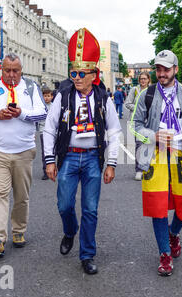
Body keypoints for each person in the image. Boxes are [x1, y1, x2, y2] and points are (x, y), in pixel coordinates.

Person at [43, 28, 121, 275]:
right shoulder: (63, 96)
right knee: (65, 205)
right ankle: (69, 231)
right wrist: (49, 160)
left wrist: (111, 163)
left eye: (81, 73)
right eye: (73, 73)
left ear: (93, 74)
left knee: (90, 209)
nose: (76, 78)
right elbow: (49, 128)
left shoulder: (103, 98)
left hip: (91, 159)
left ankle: (87, 255)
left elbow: (115, 131)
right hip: (68, 156)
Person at [131, 49, 182, 276]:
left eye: (166, 69)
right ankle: (164, 254)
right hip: (155, 156)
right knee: (157, 206)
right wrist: (153, 136)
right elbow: (135, 126)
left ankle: (173, 233)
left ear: (176, 70)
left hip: (181, 154)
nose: (161, 73)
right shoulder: (147, 95)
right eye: (158, 69)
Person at [0, 53, 48, 257]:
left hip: (24, 152)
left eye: (15, 70)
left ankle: (18, 230)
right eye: (7, 70)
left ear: (21, 70)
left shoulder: (31, 87)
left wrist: (21, 114)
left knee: (21, 197)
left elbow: (43, 114)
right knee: (0, 194)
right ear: (1, 69)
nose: (11, 74)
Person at [125, 71, 151, 181]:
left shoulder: (152, 91)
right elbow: (127, 103)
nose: (143, 81)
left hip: (149, 121)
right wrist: (138, 108)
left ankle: (148, 168)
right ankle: (139, 170)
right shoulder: (134, 90)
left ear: (149, 80)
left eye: (145, 79)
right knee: (139, 145)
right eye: (141, 79)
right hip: (138, 122)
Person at [37, 87, 54, 180]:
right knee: (45, 151)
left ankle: (53, 167)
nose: (46, 98)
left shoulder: (54, 106)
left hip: (53, 131)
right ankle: (45, 170)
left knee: (53, 150)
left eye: (48, 96)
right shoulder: (40, 106)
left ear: (52, 97)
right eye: (45, 96)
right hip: (43, 130)